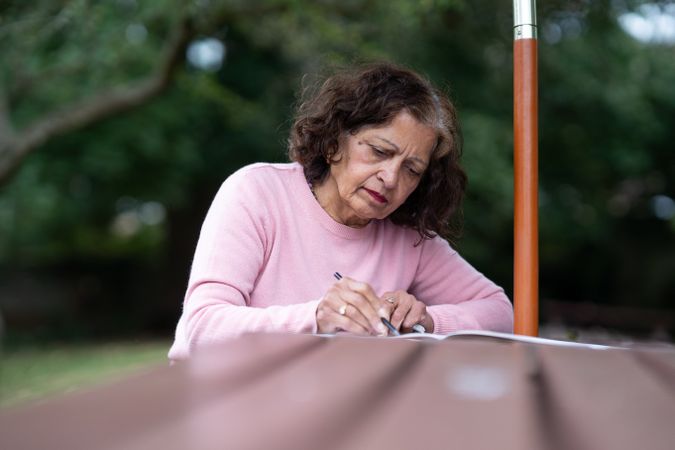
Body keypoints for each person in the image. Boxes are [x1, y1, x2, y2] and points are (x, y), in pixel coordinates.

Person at [168, 63, 513, 360]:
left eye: (412, 169)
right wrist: (317, 318)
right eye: (379, 152)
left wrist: (428, 320)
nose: (390, 178)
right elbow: (202, 329)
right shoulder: (256, 192)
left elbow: (499, 312)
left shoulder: (409, 238)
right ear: (334, 142)